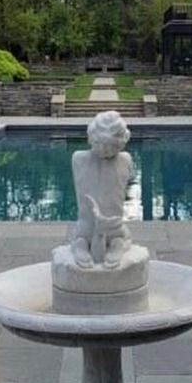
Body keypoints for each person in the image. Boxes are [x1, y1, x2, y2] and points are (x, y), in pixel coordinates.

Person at [71, 111, 132, 269]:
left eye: (111, 146)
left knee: (117, 232)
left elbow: (117, 196)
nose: (106, 150)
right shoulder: (79, 158)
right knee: (83, 231)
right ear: (92, 139)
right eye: (101, 145)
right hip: (86, 223)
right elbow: (83, 196)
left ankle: (116, 241)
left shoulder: (124, 159)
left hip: (114, 224)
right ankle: (81, 242)